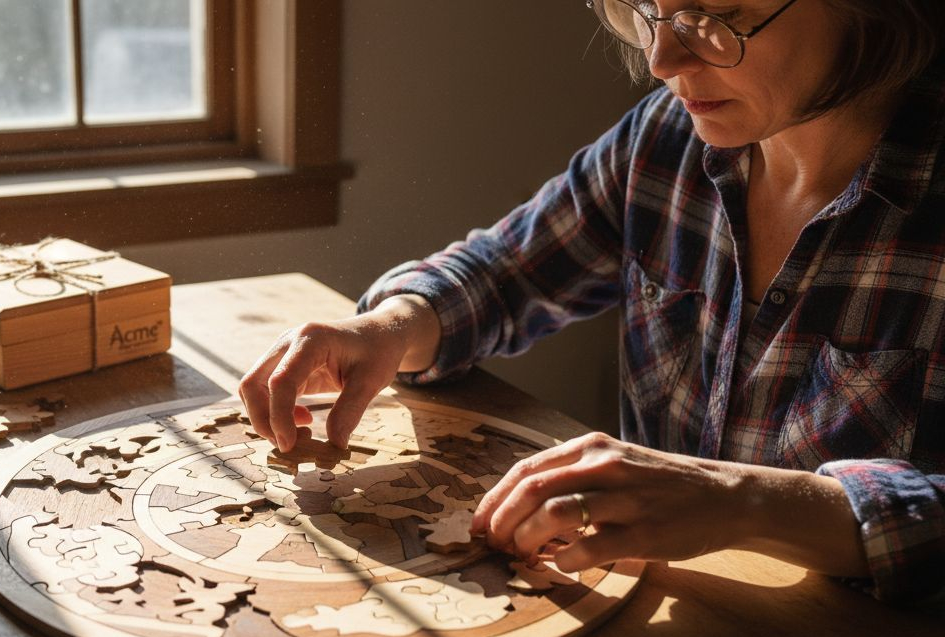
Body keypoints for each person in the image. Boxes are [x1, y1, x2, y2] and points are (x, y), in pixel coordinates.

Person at [238, 0, 945, 605]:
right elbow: (508, 271)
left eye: (719, 17)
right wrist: (394, 325)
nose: (663, 59)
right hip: (671, 618)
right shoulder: (664, 137)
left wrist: (745, 502)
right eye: (648, 11)